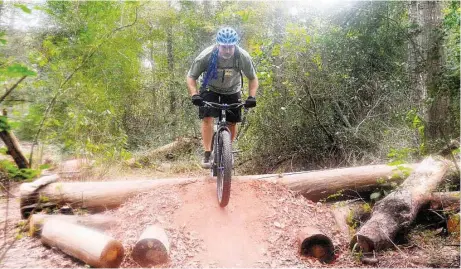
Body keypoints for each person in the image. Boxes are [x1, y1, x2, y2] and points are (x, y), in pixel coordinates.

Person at [186, 27, 259, 168]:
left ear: (235, 45)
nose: (227, 50)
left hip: (232, 90)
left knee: (232, 122)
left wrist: (252, 96)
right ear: (218, 44)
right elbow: (191, 77)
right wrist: (194, 94)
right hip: (210, 88)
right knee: (207, 118)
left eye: (230, 47)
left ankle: (227, 150)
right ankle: (207, 153)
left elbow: (253, 78)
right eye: (224, 47)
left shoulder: (242, 56)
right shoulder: (206, 56)